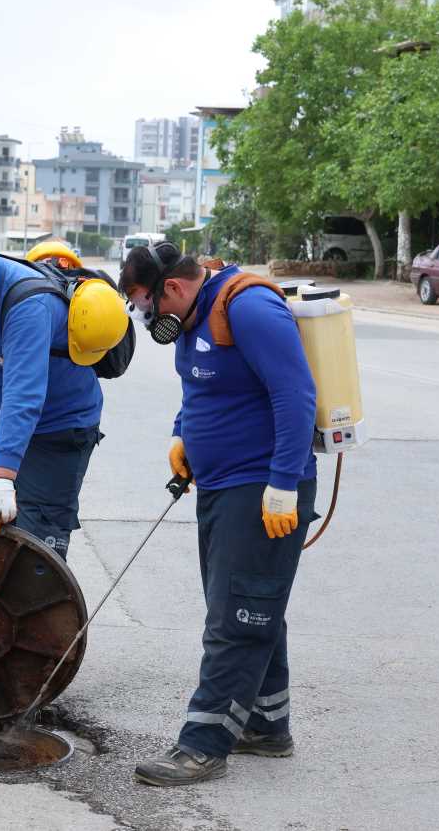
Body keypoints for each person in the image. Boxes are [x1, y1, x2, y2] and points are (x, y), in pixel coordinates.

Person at [118, 242, 318, 787]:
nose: (146, 317)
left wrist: (283, 484)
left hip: (261, 489)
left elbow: (296, 394)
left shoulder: (247, 307)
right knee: (246, 605)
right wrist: (182, 434)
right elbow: (202, 387)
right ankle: (266, 726)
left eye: (146, 304)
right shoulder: (192, 316)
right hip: (220, 486)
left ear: (173, 287)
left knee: (237, 616)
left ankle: (202, 746)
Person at [0, 222, 119, 559]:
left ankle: (50, 595)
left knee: (37, 544)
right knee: (6, 537)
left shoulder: (28, 304)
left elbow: (24, 394)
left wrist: (3, 475)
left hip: (60, 428)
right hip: (16, 426)